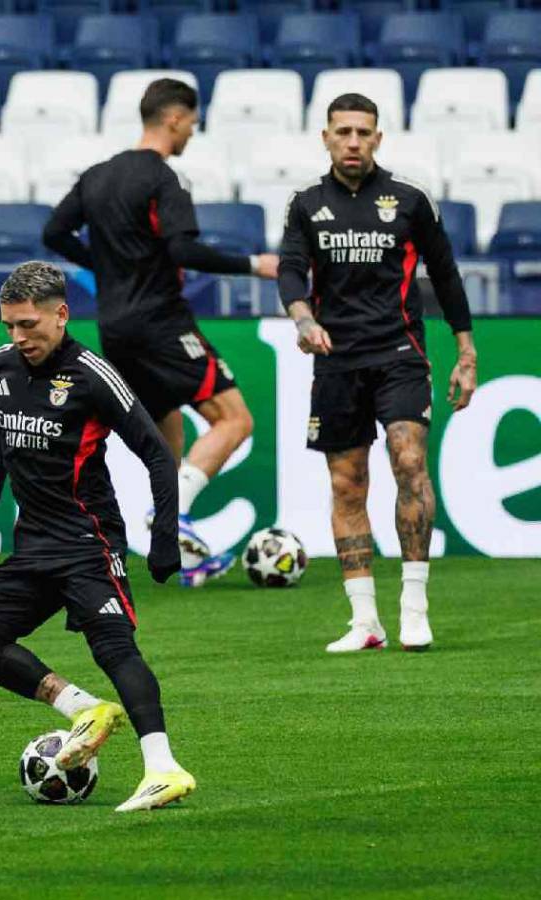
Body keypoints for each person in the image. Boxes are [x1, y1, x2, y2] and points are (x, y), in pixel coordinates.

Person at [0, 260, 195, 812]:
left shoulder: (92, 375)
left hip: (90, 544)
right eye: (9, 326)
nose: (18, 338)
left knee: (115, 649)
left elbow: (158, 455)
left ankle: (164, 768)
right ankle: (84, 709)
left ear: (61, 315)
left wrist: (164, 538)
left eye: (29, 325)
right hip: (33, 546)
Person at [43, 78, 280, 587]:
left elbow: (53, 233)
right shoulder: (164, 180)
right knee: (234, 421)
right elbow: (184, 252)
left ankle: (182, 556)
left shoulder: (96, 177)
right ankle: (169, 522)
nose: (193, 130)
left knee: (166, 438)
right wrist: (256, 264)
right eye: (192, 121)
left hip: (115, 327)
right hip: (161, 321)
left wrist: (105, 270)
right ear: (174, 118)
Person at [278, 93, 478, 653]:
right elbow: (291, 271)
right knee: (348, 484)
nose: (352, 142)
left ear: (378, 139)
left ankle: (415, 607)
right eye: (343, 132)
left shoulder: (410, 200)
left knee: (409, 460)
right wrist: (302, 319)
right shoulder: (305, 203)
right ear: (325, 137)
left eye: (363, 132)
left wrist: (466, 351)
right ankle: (365, 622)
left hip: (400, 353)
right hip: (335, 360)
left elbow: (446, 274)